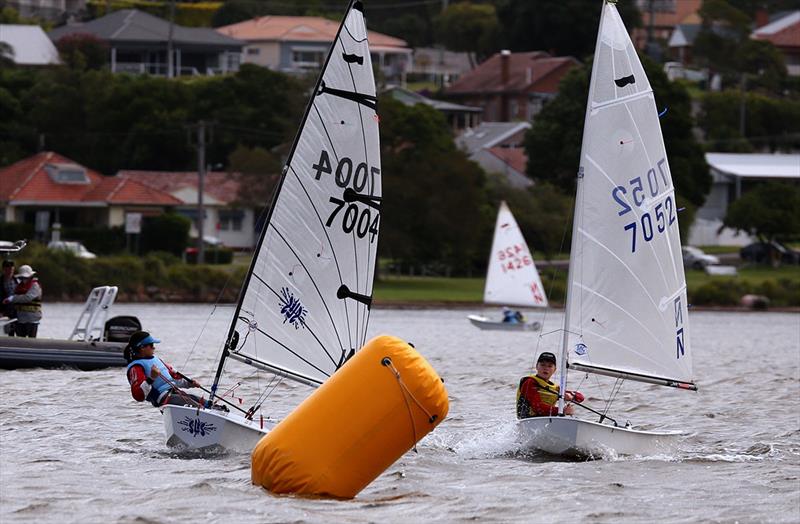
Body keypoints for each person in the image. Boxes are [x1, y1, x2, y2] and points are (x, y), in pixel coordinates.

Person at [125, 331, 204, 408]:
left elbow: (174, 377)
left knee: (208, 404)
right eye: (151, 345)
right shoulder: (136, 367)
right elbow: (138, 396)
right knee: (199, 408)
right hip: (164, 399)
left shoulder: (156, 359)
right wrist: (151, 378)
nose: (154, 347)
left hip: (176, 393)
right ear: (142, 347)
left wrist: (190, 383)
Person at [516, 351, 584, 418]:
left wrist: (571, 397)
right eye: (542, 365)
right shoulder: (529, 382)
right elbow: (538, 408)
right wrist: (562, 411)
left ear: (554, 369)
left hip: (547, 420)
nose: (546, 368)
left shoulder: (554, 388)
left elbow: (580, 398)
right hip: (528, 420)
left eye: (550, 366)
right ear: (537, 366)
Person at [2, 264, 41, 338]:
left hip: (32, 319)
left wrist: (12, 298)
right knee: (20, 339)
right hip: (20, 319)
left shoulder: (35, 286)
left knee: (31, 341)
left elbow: (27, 298)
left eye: (25, 277)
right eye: (22, 277)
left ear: (30, 276)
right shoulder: (19, 286)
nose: (23, 279)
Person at [1, 260, 17, 336]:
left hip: (16, 311)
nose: (10, 270)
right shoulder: (0, 281)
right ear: (3, 269)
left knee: (18, 333)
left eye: (12, 268)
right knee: (7, 333)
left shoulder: (17, 280)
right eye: (8, 268)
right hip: (4, 311)